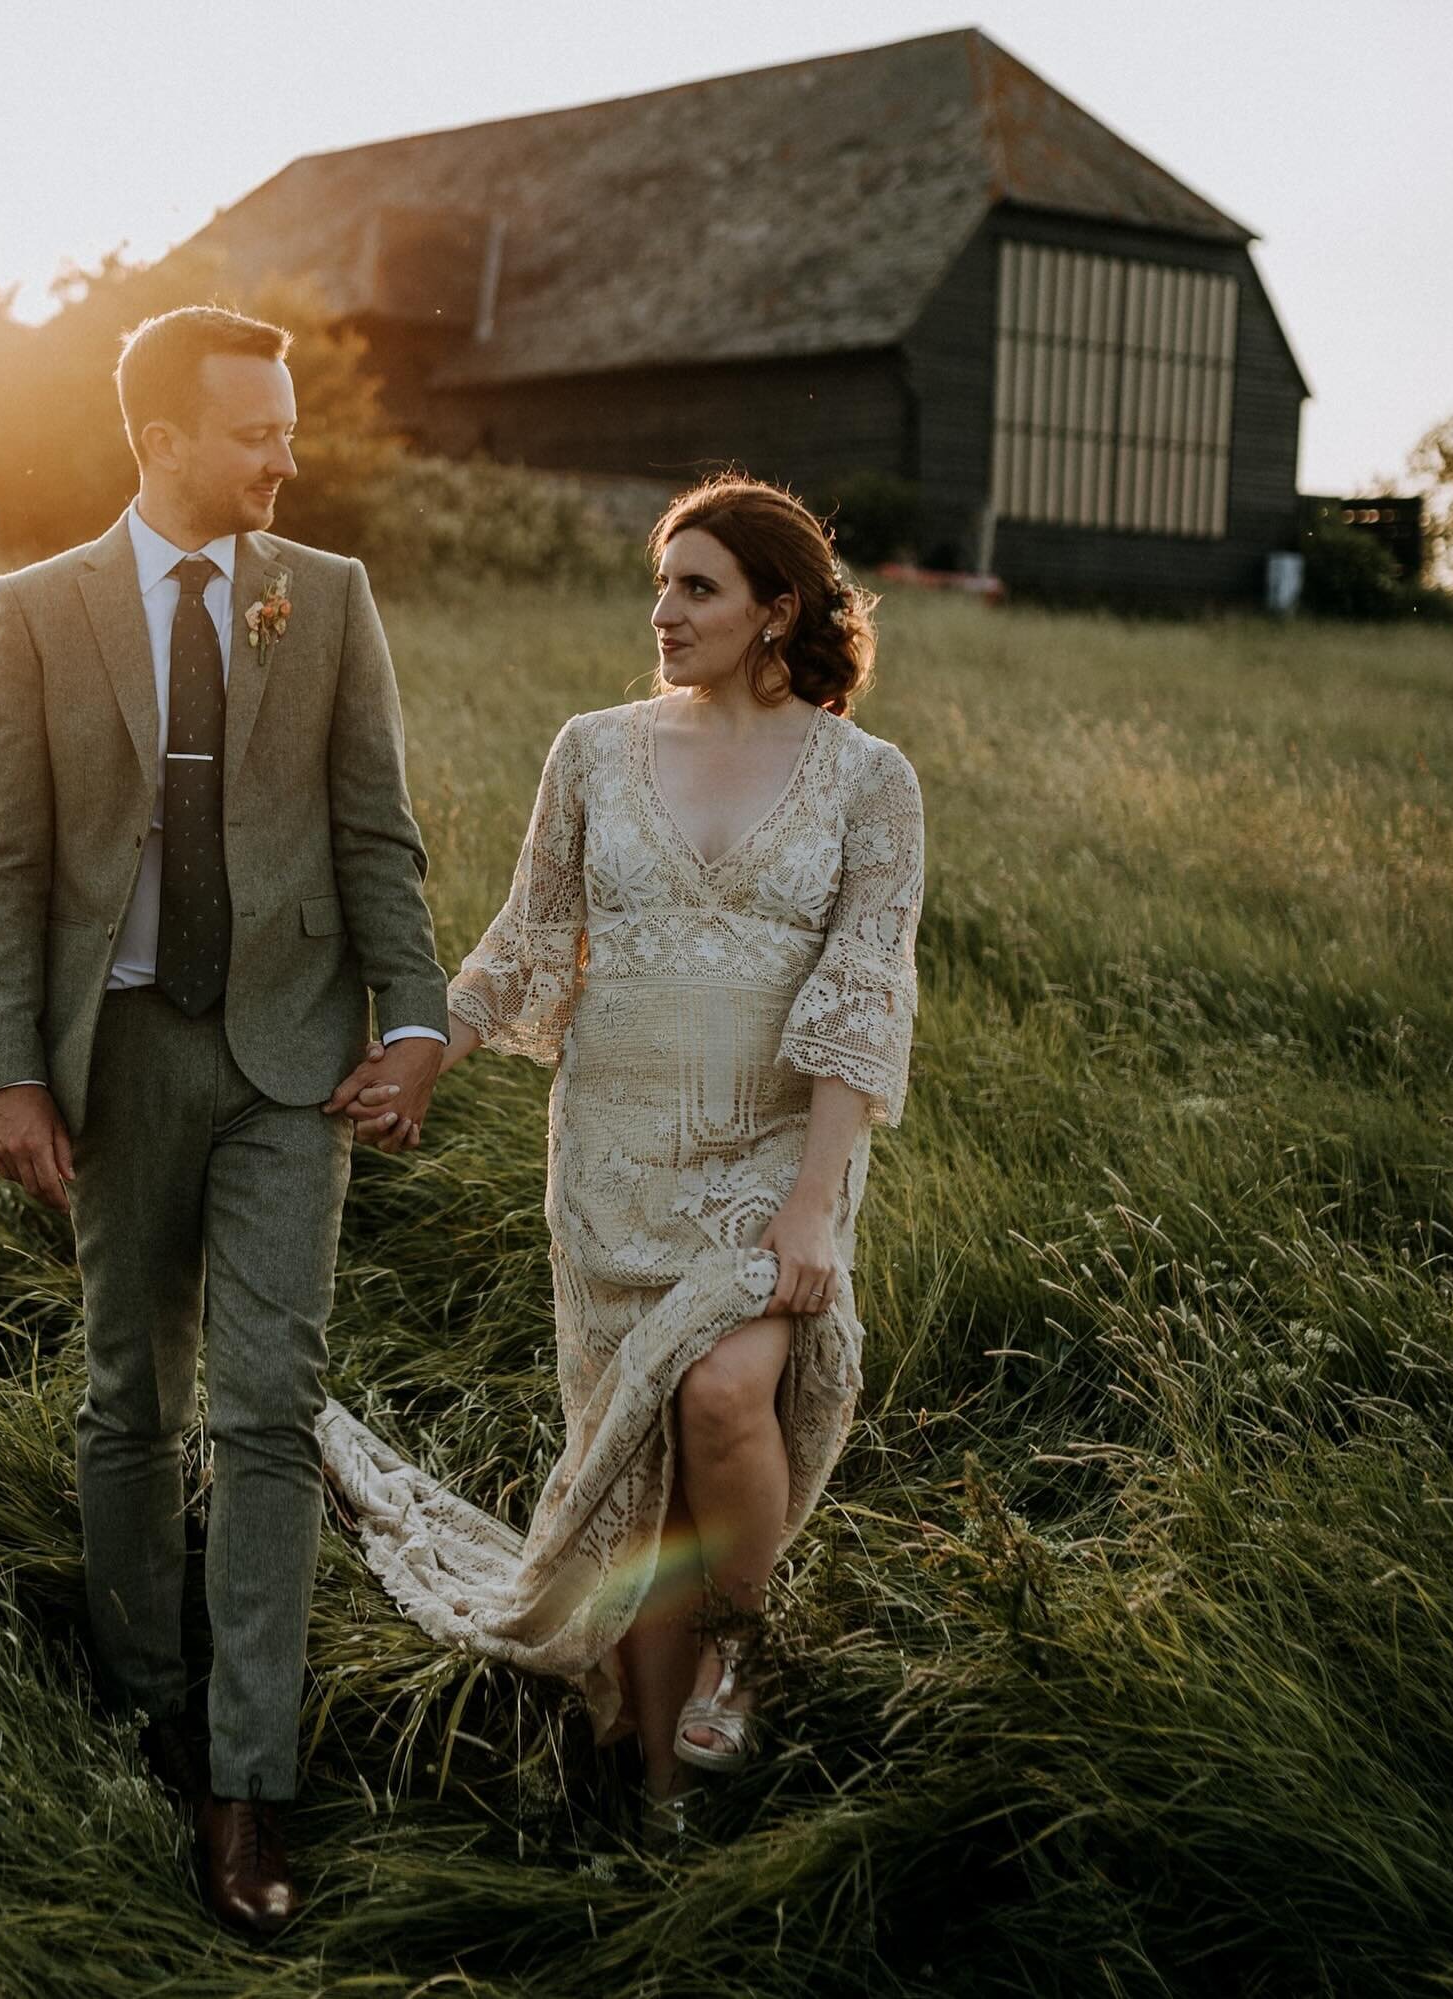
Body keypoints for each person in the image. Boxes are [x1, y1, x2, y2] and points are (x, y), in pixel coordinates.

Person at [322, 471, 925, 1842]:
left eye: (696, 587)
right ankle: (655, 1807)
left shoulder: (868, 780)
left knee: (724, 1397)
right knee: (645, 1487)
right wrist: (426, 1053)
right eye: (659, 584)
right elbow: (526, 940)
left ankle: (745, 1647)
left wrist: (816, 1207)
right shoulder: (592, 750)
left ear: (779, 610)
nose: (664, 612)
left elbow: (863, 994)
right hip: (610, 1163)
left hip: (768, 1167)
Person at [0, 305, 448, 1937]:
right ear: (159, 439)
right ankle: (141, 1709)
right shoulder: (36, 611)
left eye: (287, 427)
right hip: (115, 1060)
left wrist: (420, 1021)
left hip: (290, 1065)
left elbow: (378, 829)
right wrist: (9, 1070)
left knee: (264, 1413)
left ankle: (249, 1787)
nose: (286, 457)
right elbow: (8, 868)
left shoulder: (334, 599)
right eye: (255, 431)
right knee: (125, 1401)